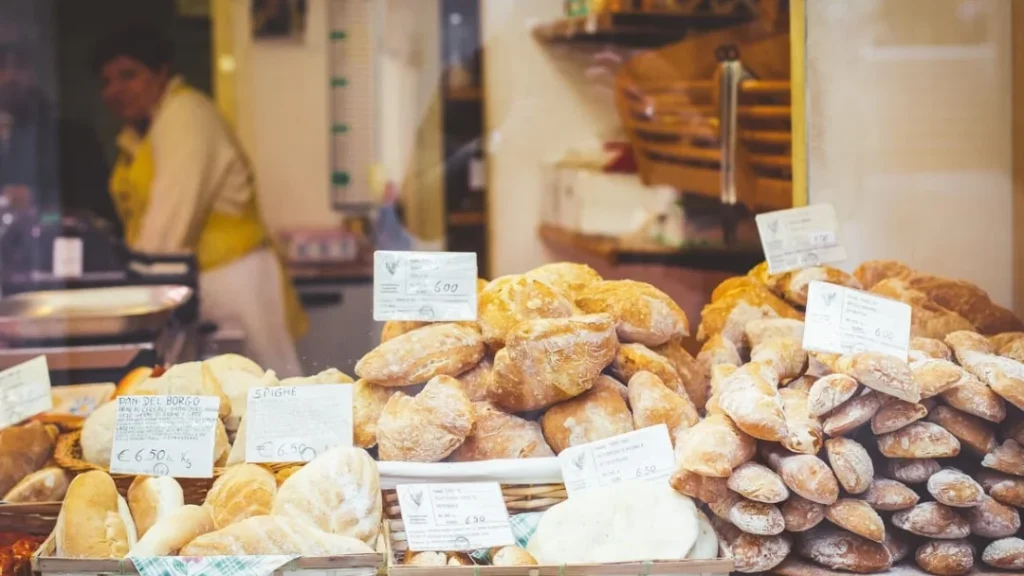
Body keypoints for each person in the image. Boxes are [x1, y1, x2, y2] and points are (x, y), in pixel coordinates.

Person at [92, 27, 307, 376]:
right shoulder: (143, 132)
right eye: (106, 81)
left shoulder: (185, 115)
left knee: (273, 386)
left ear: (161, 73)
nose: (116, 90)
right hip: (197, 283)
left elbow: (169, 224)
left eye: (129, 75)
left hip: (234, 281)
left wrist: (135, 296)